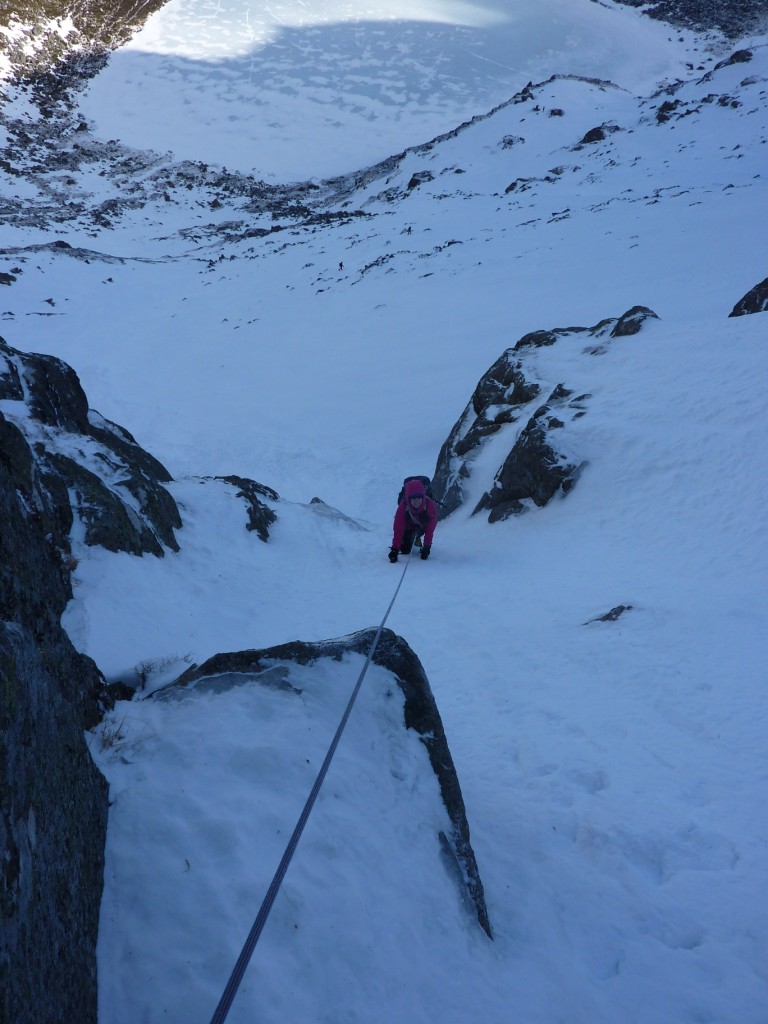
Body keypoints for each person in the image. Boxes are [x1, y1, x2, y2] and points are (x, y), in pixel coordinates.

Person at [389, 478, 437, 562]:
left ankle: (417, 537)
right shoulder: (403, 508)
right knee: (405, 550)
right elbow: (398, 530)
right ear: (408, 499)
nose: (417, 501)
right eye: (413, 498)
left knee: (419, 532)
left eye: (419, 498)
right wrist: (395, 549)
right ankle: (413, 538)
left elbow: (430, 530)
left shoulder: (430, 506)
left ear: (423, 497)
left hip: (422, 526)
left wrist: (426, 548)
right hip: (408, 527)